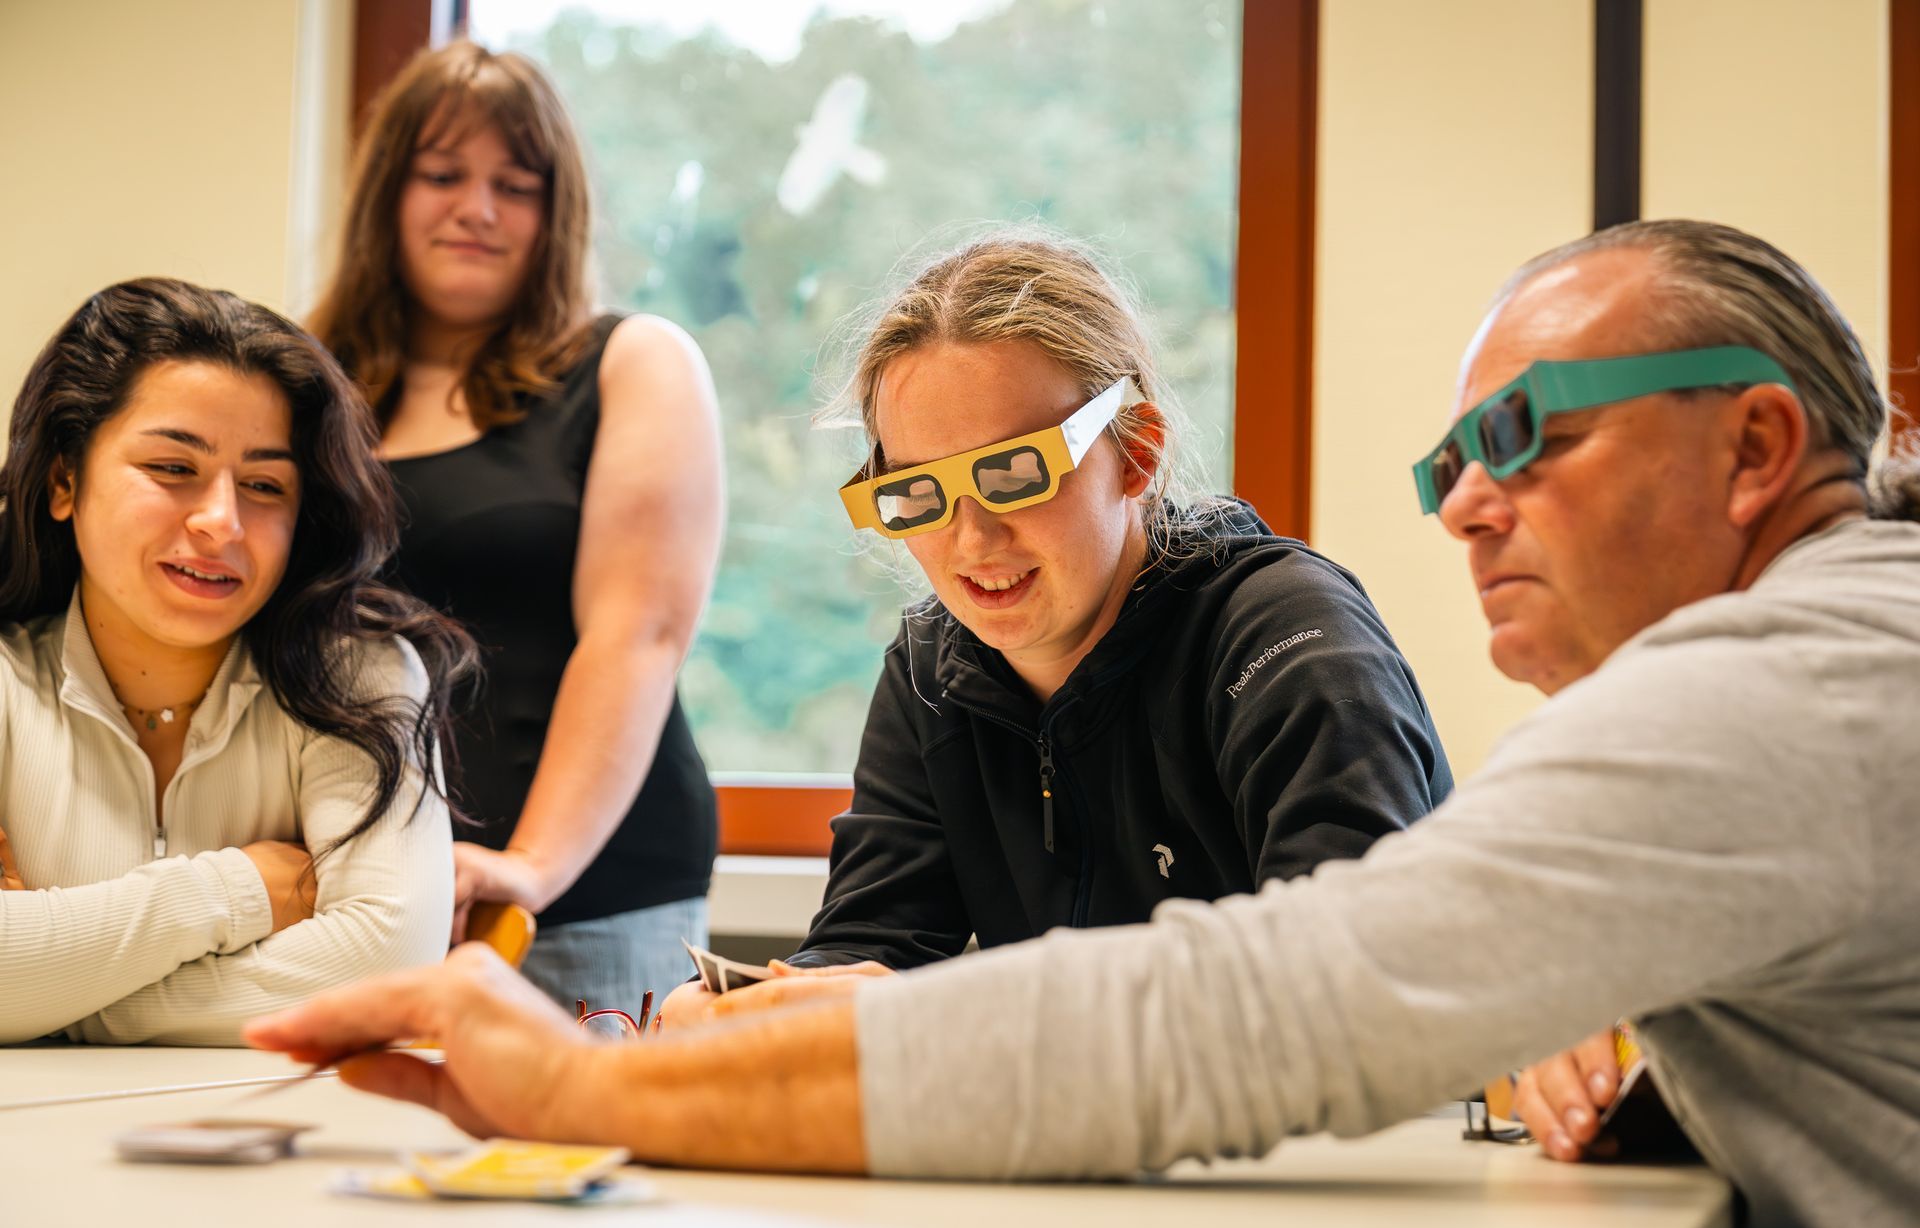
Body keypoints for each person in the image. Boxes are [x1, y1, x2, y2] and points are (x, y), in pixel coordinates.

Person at [249, 219, 1920, 1228]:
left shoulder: (1776, 682)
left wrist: (591, 1081)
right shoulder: (1826, 667)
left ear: (1759, 444)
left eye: (1525, 436)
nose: (1468, 503)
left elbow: (1294, 1003)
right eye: (916, 497)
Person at [661, 233, 1451, 1027]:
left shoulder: (1285, 638)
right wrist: (764, 1011)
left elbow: (1345, 974)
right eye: (917, 496)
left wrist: (944, 1013)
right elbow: (870, 944)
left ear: (1135, 454)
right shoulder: (935, 671)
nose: (972, 541)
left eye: (1014, 475)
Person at [306, 41, 724, 1015]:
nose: (477, 208)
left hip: (589, 898)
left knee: (582, 1166)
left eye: (516, 183)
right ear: (387, 198)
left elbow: (640, 636)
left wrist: (529, 867)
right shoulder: (306, 384)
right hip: (361, 897)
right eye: (443, 175)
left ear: (556, 207)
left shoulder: (633, 361)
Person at [0, 277, 475, 1046]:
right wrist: (241, 888)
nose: (222, 522)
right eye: (172, 468)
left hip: (292, 1150)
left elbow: (386, 969)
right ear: (64, 480)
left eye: (263, 485)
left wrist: (54, 1001)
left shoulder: (364, 678)